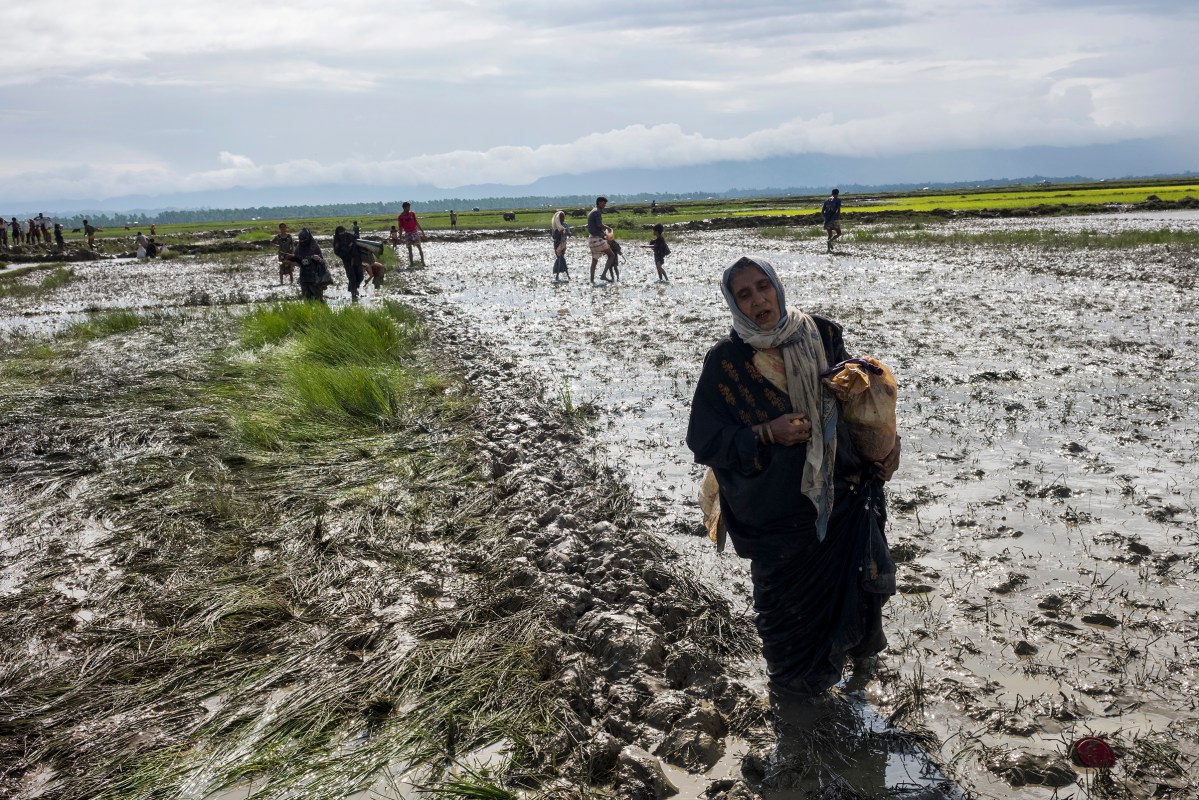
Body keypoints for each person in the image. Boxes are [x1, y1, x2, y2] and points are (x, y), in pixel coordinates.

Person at [686, 256, 900, 708]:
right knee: (786, 620)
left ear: (778, 287)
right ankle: (795, 704)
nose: (758, 299)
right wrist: (767, 432)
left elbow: (856, 399)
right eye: (744, 294)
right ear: (733, 303)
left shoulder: (822, 333)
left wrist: (886, 443)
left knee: (857, 590)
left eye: (764, 287)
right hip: (776, 517)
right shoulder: (726, 362)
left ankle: (858, 675)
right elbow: (704, 440)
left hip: (841, 498)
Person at [283, 228, 330, 302]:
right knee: (306, 300)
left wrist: (318, 259)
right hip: (304, 277)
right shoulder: (299, 247)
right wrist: (291, 257)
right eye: (300, 240)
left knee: (318, 300)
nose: (302, 241)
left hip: (315, 278)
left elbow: (322, 262)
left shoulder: (314, 246)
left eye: (304, 239)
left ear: (308, 238)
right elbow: (298, 259)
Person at [587, 196, 617, 284]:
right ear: (599, 202)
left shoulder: (593, 210)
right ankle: (603, 275)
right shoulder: (597, 212)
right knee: (611, 255)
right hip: (597, 239)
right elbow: (599, 225)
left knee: (594, 260)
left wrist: (604, 233)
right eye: (604, 203)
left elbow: (596, 225)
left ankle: (592, 280)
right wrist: (608, 228)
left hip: (591, 239)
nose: (604, 205)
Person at [333, 225, 365, 303]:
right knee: (351, 276)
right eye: (341, 233)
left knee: (360, 275)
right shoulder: (337, 241)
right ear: (338, 233)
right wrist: (347, 254)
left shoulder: (349, 236)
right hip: (347, 261)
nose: (342, 234)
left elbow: (358, 240)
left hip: (357, 259)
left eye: (343, 232)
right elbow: (337, 252)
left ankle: (354, 288)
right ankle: (353, 292)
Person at [396, 202, 426, 268]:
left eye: (409, 207)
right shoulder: (400, 217)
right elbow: (400, 228)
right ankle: (412, 263)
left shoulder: (412, 214)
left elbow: (416, 223)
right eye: (407, 207)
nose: (409, 208)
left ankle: (423, 262)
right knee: (409, 250)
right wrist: (400, 238)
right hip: (407, 233)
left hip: (414, 232)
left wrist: (422, 231)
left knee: (419, 247)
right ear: (404, 208)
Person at [550, 210, 572, 282]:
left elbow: (570, 234)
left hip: (563, 243)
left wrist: (566, 232)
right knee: (560, 258)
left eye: (563, 217)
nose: (562, 219)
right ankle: (565, 275)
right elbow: (554, 236)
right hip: (557, 244)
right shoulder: (555, 226)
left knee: (561, 258)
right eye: (561, 217)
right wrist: (559, 232)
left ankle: (558, 275)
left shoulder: (565, 225)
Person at [822, 189, 842, 253]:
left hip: (827, 220)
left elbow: (822, 211)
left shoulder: (826, 200)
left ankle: (828, 250)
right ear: (837, 194)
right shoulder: (838, 200)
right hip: (834, 219)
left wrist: (825, 217)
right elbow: (838, 210)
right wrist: (837, 218)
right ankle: (830, 241)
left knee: (829, 235)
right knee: (839, 233)